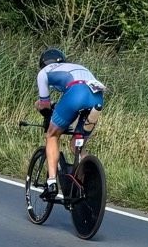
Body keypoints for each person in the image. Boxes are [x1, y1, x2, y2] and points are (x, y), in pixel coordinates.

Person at [35, 46, 105, 197]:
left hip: (76, 95)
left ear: (44, 63)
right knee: (76, 146)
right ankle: (85, 182)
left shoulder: (43, 73)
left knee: (52, 136)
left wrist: (40, 107)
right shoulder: (77, 67)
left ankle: (52, 183)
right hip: (97, 97)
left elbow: (45, 105)